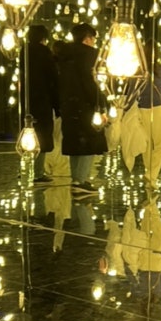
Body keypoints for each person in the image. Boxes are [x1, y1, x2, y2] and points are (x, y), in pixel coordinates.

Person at [54, 23, 107, 194]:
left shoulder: (63, 55)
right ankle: (81, 181)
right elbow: (89, 81)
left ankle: (76, 179)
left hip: (68, 105)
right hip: (85, 105)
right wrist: (101, 103)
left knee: (74, 143)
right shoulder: (89, 54)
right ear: (88, 38)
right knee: (89, 141)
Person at [22, 25, 60, 183]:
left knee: (27, 134)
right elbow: (53, 79)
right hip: (42, 100)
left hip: (26, 100)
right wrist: (57, 105)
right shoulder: (45, 54)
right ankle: (38, 172)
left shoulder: (23, 52)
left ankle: (25, 170)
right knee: (42, 136)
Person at [138, 41, 161, 192]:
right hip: (156, 108)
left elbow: (131, 90)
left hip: (140, 109)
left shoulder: (137, 70)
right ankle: (151, 175)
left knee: (147, 144)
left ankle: (150, 178)